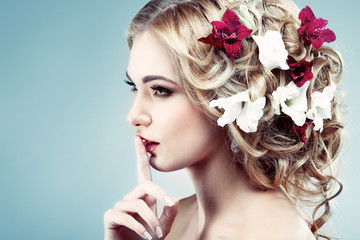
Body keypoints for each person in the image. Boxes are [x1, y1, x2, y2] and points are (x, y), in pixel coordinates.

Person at [104, 0, 344, 239]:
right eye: (134, 87)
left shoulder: (276, 233)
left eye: (160, 90)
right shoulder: (161, 225)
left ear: (229, 91)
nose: (134, 116)